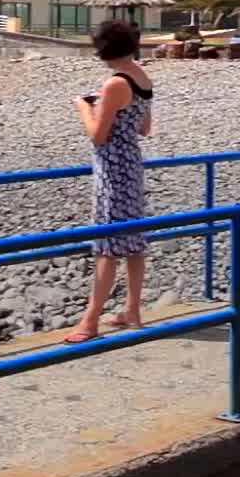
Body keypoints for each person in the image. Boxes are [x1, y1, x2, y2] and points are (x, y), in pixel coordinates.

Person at [66, 19, 153, 343]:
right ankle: (132, 310)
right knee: (133, 242)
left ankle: (90, 322)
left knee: (107, 244)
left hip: (113, 169)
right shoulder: (142, 76)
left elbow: (98, 136)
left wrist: (83, 108)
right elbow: (144, 128)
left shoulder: (115, 84)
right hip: (132, 165)